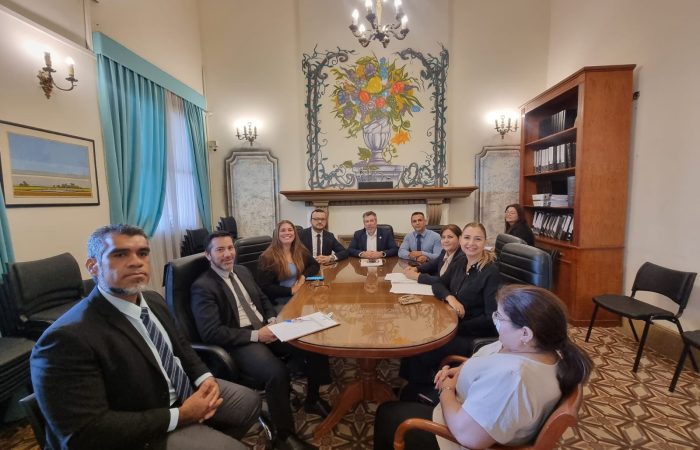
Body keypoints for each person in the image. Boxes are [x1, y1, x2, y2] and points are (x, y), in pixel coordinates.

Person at [30, 224, 261, 450]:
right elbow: (86, 433)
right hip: (142, 427)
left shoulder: (153, 300)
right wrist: (181, 415)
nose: (136, 262)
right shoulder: (65, 339)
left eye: (142, 253)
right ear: (93, 266)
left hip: (184, 391)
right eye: (120, 254)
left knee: (250, 403)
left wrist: (204, 377)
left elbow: (181, 346)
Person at [374, 284, 593, 450]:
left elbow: (468, 436)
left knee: (387, 413)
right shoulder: (537, 348)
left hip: (456, 437)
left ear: (525, 333)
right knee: (410, 391)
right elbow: (488, 362)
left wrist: (447, 389)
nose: (494, 320)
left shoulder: (512, 379)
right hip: (468, 401)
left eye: (500, 317)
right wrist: (459, 371)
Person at [190, 231, 331, 450]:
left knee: (313, 345)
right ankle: (284, 437)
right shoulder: (203, 287)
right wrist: (257, 335)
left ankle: (312, 400)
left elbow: (262, 299)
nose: (228, 254)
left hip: (266, 326)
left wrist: (273, 319)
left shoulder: (242, 271)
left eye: (230, 248)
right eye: (220, 250)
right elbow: (211, 332)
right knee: (276, 373)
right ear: (208, 255)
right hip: (241, 340)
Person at [400, 222, 500, 388]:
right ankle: (409, 384)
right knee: (415, 337)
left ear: (485, 242)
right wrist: (450, 298)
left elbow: (491, 318)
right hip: (452, 324)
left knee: (422, 348)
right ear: (461, 240)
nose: (471, 243)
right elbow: (438, 283)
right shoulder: (461, 262)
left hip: (471, 334)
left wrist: (456, 326)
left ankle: (421, 390)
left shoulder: (491, 272)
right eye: (467, 238)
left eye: (477, 239)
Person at [256, 220, 320, 308]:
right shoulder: (268, 257)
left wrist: (303, 276)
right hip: (280, 301)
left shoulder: (300, 250)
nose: (287, 233)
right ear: (277, 234)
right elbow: (265, 287)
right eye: (283, 230)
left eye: (290, 230)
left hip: (299, 295)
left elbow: (315, 265)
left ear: (294, 233)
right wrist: (291, 290)